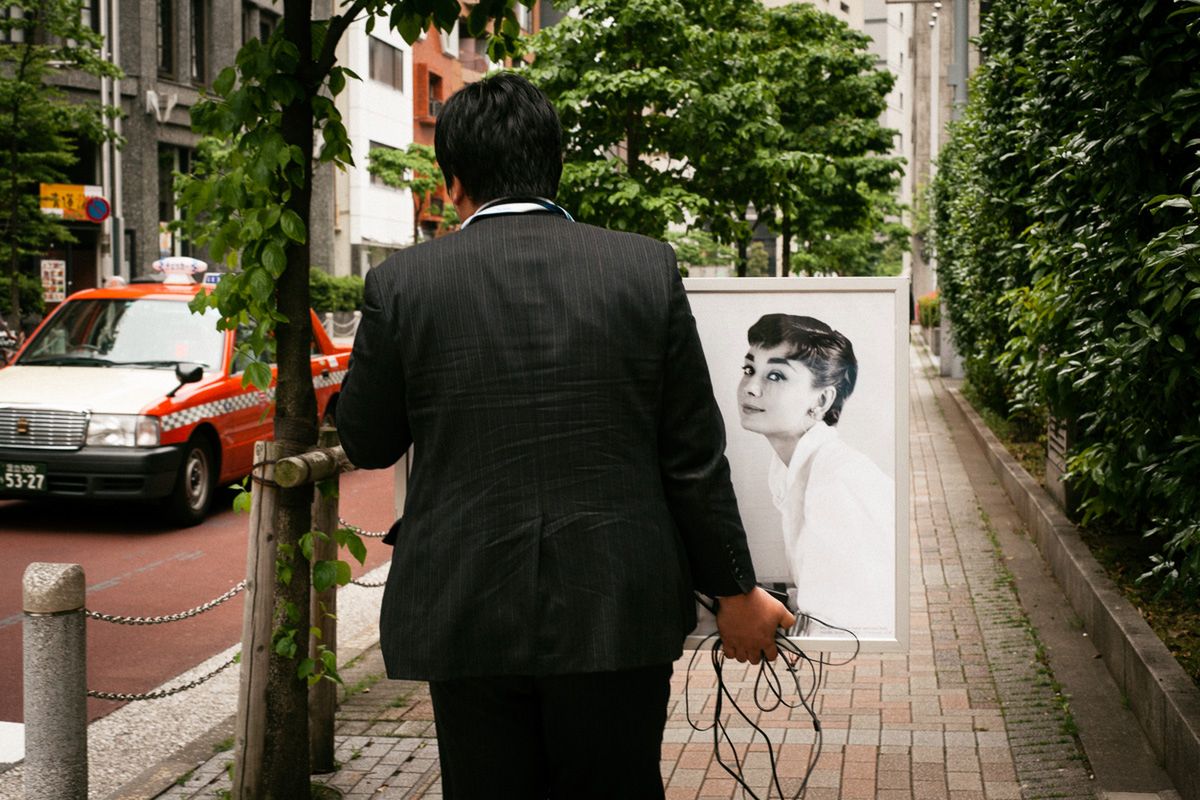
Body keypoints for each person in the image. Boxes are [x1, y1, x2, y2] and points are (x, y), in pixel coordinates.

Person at [335, 72, 792, 799]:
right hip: (618, 605)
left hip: (467, 603)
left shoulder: (404, 283)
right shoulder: (643, 268)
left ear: (452, 182)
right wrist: (734, 588)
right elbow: (691, 454)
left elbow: (364, 441)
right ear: (554, 168)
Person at [737, 313, 894, 638]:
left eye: (776, 376)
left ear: (821, 400)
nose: (751, 388)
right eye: (750, 369)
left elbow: (843, 623)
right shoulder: (792, 467)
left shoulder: (836, 481)